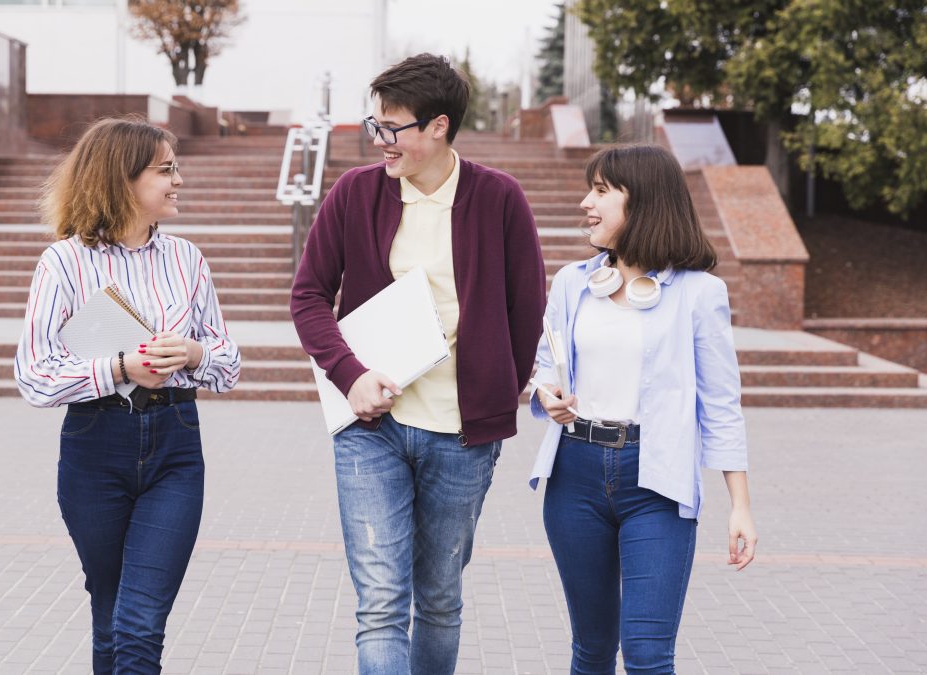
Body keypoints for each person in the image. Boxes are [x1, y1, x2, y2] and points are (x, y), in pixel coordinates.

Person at [290, 53, 546, 674]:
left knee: (437, 600)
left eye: (392, 127)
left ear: (437, 126)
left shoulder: (498, 198)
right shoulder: (354, 193)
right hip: (369, 430)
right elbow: (308, 297)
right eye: (373, 125)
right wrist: (351, 376)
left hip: (461, 436)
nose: (379, 140)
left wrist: (495, 390)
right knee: (380, 603)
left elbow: (527, 308)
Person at [14, 117, 240, 673]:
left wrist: (192, 355)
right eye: (165, 170)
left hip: (175, 448)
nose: (177, 180)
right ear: (122, 179)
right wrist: (120, 366)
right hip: (95, 447)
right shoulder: (63, 262)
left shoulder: (187, 259)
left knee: (139, 625)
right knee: (110, 615)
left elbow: (228, 363)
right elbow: (34, 373)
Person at [529, 143, 758, 674]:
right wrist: (546, 395)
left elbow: (721, 405)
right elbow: (545, 366)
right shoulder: (571, 283)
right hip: (574, 477)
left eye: (602, 191)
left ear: (645, 203)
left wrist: (739, 505)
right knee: (591, 649)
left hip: (656, 482)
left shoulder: (700, 294)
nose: (587, 202)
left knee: (649, 656)